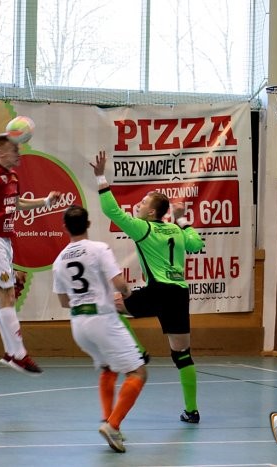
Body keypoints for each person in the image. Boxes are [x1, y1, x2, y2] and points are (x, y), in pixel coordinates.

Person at [90, 150, 205, 424]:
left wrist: (100, 177)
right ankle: (192, 411)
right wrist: (181, 218)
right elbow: (196, 244)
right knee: (182, 354)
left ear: (151, 212)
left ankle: (137, 351)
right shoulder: (176, 230)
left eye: (142, 203)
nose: (138, 206)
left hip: (159, 290)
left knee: (109, 306)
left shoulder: (145, 228)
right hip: (179, 293)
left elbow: (111, 211)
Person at [52, 205, 148, 453]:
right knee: (138, 373)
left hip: (78, 325)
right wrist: (127, 295)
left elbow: (63, 301)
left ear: (65, 228)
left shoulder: (59, 260)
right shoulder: (98, 249)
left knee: (108, 367)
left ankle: (108, 419)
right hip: (102, 320)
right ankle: (113, 425)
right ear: (89, 224)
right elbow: (119, 283)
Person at [0, 132, 59, 375]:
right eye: (15, 150)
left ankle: (11, 353)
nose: (19, 153)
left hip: (4, 241)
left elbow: (17, 204)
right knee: (6, 295)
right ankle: (19, 354)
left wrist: (46, 202)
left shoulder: (13, 176)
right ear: (1, 152)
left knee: (5, 297)